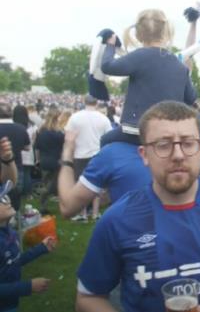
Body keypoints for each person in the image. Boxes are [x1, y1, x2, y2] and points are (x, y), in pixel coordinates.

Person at [76, 101, 200, 312]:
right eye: (163, 144)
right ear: (144, 155)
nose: (178, 154)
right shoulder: (118, 219)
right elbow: (88, 298)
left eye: (188, 143)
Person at [100, 8, 197, 145]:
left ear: (139, 35)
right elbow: (191, 97)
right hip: (168, 132)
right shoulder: (179, 66)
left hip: (136, 130)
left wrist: (110, 46)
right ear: (166, 32)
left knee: (105, 140)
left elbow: (107, 66)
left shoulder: (139, 56)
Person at [0, 136, 57, 312]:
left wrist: (40, 248)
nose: (6, 198)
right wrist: (27, 287)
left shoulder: (8, 232)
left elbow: (12, 262)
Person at [65, 95, 112, 221]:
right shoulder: (103, 118)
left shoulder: (75, 117)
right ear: (96, 103)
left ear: (84, 102)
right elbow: (109, 137)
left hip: (80, 154)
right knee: (96, 185)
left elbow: (68, 136)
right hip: (97, 154)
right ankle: (95, 213)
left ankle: (83, 213)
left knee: (81, 184)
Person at [33, 109, 64, 215]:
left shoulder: (41, 132)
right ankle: (61, 204)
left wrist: (37, 160)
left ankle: (43, 205)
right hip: (56, 161)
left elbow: (37, 148)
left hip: (44, 160)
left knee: (45, 182)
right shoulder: (59, 134)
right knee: (55, 185)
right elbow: (63, 148)